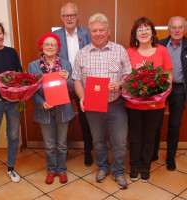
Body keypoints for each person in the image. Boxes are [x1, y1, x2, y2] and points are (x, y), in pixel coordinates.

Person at [72, 13, 131, 189]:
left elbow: (129, 74)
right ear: (90, 32)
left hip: (116, 105)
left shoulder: (119, 50)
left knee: (120, 141)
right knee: (97, 141)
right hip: (93, 106)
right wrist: (82, 98)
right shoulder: (81, 54)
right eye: (94, 30)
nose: (98, 33)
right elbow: (77, 80)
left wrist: (120, 84)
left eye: (101, 30)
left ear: (108, 31)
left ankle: (119, 171)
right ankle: (103, 167)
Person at [126, 17, 173, 182]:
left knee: (149, 136)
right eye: (140, 30)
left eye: (147, 29)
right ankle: (134, 165)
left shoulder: (162, 51)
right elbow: (125, 78)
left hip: (156, 104)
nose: (144, 32)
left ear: (153, 33)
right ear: (135, 35)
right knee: (135, 136)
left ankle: (145, 167)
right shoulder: (129, 52)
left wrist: (160, 94)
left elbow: (168, 76)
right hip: (133, 104)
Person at [28, 33, 75, 184]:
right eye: (46, 44)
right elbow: (31, 90)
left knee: (61, 144)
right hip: (44, 109)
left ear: (57, 48)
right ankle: (51, 169)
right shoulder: (33, 66)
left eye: (53, 44)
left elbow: (73, 88)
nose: (49, 47)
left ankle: (61, 170)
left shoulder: (66, 64)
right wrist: (42, 102)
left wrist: (67, 79)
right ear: (42, 47)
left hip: (63, 109)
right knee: (48, 145)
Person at [53, 3, 94, 167]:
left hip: (82, 83)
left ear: (77, 17)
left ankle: (88, 151)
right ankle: (62, 150)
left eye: (72, 15)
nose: (69, 18)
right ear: (61, 18)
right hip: (61, 83)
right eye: (65, 16)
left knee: (86, 118)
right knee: (60, 117)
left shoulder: (87, 34)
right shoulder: (55, 36)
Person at [0, 19, 23, 183]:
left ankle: (11, 168)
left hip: (13, 103)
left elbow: (19, 74)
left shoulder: (11, 52)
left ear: (3, 34)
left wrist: (23, 90)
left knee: (14, 136)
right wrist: (5, 96)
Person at [153, 16, 187, 171]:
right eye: (174, 27)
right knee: (155, 122)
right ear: (168, 29)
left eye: (180, 27)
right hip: (160, 88)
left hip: (179, 89)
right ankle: (153, 153)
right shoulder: (159, 45)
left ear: (185, 29)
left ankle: (170, 157)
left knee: (174, 125)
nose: (177, 30)